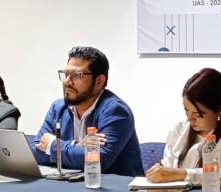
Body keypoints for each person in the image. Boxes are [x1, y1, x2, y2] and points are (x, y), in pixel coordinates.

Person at [30, 46, 143, 176]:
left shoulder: (115, 111)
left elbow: (98, 160)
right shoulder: (58, 108)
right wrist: (76, 144)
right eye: (66, 74)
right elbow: (34, 150)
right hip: (72, 186)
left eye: (76, 75)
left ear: (99, 81)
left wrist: (53, 145)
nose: (67, 82)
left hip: (115, 191)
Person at [146, 68, 221, 190]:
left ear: (220, 111)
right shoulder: (181, 128)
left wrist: (183, 174)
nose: (190, 119)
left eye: (198, 114)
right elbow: (169, 168)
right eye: (186, 110)